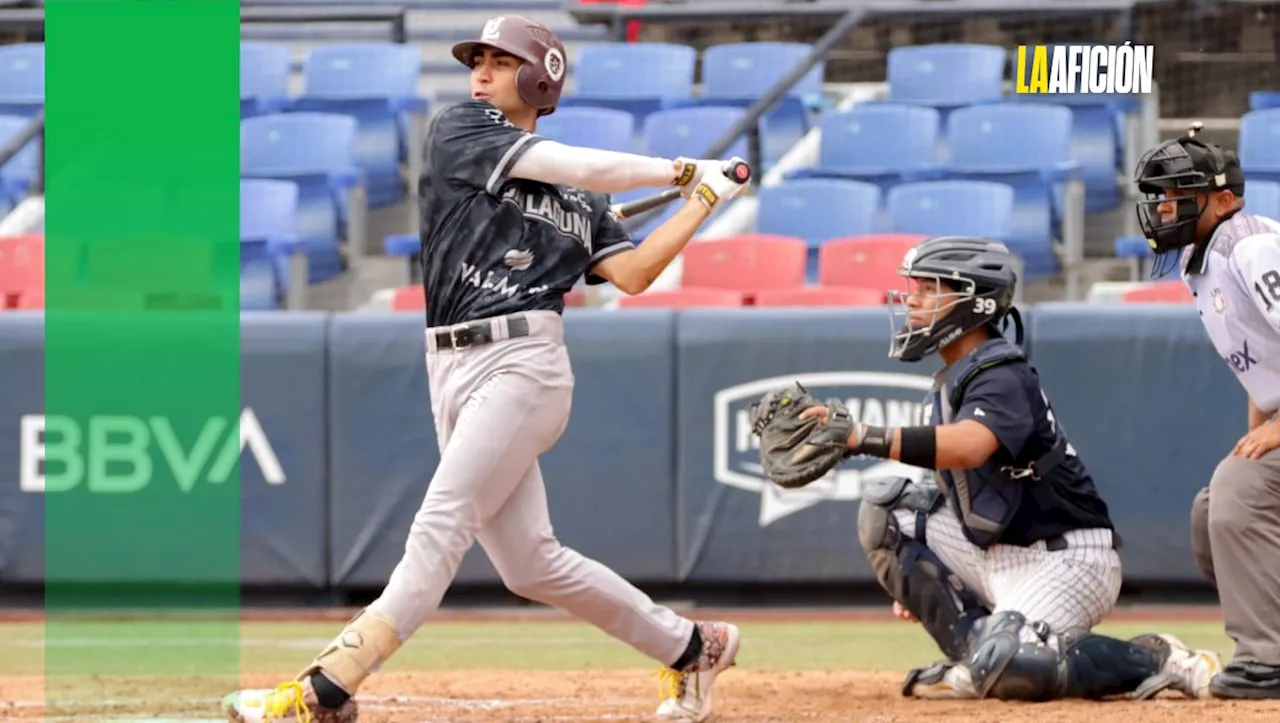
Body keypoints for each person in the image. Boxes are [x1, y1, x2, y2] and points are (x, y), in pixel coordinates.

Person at [221, 15, 750, 723]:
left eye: (500, 63)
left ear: (539, 77)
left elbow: (632, 273)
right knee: (530, 562)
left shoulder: (584, 203)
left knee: (440, 524)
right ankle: (694, 646)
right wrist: (681, 170)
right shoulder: (460, 130)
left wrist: (705, 201)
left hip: (524, 362)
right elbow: (579, 166)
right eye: (479, 60)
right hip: (452, 362)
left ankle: (327, 687)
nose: (480, 72)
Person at [795, 235, 1222, 702]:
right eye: (913, 286)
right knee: (889, 509)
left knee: (1017, 663)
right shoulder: (950, 380)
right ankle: (976, 656)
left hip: (1066, 559)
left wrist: (862, 437)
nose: (912, 299)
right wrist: (924, 578)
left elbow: (971, 447)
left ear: (972, 302)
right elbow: (951, 496)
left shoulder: (1000, 372)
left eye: (930, 288)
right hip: (996, 554)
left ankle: (1159, 660)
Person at [1134, 122, 1280, 699]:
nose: (1164, 209)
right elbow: (1263, 370)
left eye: (1178, 195)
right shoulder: (1208, 258)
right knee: (1212, 510)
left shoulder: (1250, 244)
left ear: (1223, 197)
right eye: (1162, 198)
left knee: (1239, 489)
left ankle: (1268, 661)